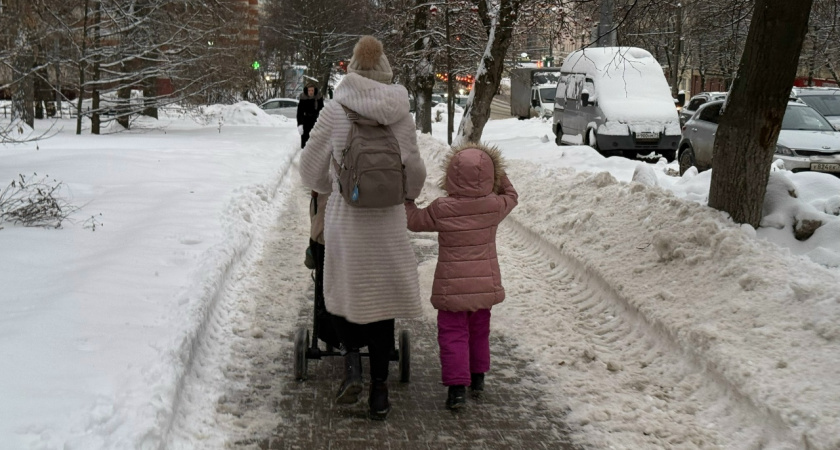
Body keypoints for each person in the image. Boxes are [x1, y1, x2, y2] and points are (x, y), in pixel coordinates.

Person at [298, 35, 426, 420]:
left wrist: (330, 187)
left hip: (346, 222)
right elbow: (416, 172)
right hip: (387, 222)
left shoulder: (335, 111)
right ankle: (380, 392)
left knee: (339, 293)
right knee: (382, 303)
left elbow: (309, 169)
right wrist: (405, 193)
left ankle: (351, 363)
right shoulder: (400, 114)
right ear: (385, 70)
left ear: (351, 69)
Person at [404, 142, 518, 410]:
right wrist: (498, 176)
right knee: (479, 331)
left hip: (451, 287)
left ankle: (456, 389)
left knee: (453, 333)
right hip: (483, 285)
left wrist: (407, 200)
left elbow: (414, 221)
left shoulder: (443, 207)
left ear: (451, 174)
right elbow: (512, 195)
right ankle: (477, 379)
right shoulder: (494, 206)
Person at [297, 83, 324, 148]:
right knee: (305, 142)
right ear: (307, 90)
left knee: (316, 142)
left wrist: (323, 122)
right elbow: (300, 112)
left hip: (316, 121)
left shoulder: (318, 97)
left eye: (312, 90)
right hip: (306, 120)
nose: (311, 92)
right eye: (309, 90)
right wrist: (300, 124)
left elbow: (322, 110)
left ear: (314, 90)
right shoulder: (303, 98)